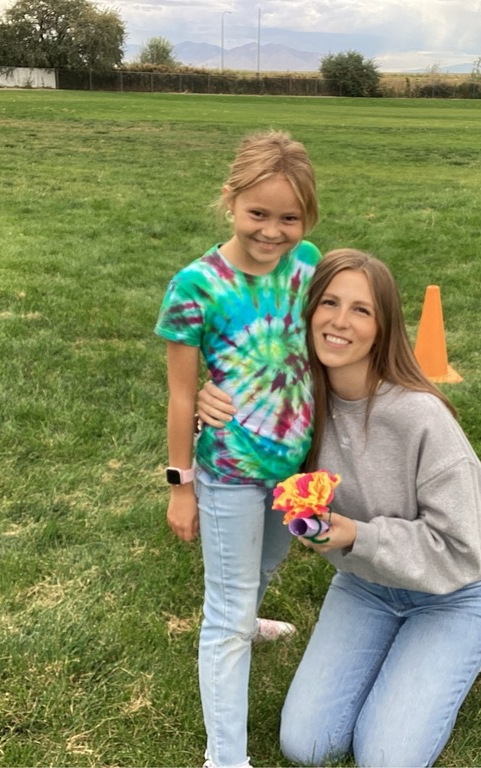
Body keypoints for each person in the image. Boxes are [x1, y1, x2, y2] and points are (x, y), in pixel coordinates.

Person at [198, 248, 481, 768]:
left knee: (384, 758)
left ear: (383, 327)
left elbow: (462, 547)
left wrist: (355, 536)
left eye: (361, 310)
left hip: (454, 591)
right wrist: (215, 409)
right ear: (308, 311)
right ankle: (403, 655)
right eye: (330, 303)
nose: (341, 322)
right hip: (366, 586)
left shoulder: (419, 416)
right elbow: (238, 459)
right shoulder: (296, 408)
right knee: (307, 745)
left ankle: (456, 651)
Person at [154, 130, 322, 768]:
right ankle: (225, 758)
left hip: (298, 466)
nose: (273, 231)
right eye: (259, 213)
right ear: (231, 201)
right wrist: (181, 485)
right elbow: (179, 396)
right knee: (224, 612)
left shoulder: (310, 264)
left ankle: (252, 619)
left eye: (289, 217)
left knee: (264, 572)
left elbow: (325, 345)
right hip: (227, 471)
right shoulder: (196, 285)